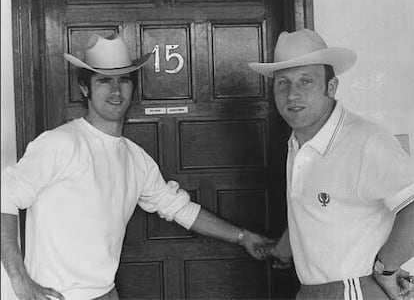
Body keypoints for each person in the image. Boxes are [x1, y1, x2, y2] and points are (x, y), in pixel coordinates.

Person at [1, 34, 273, 300]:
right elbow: (5, 197)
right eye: (104, 81)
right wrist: (18, 278)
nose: (116, 91)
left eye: (124, 80)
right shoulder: (60, 143)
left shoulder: (135, 159)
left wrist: (242, 236)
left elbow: (180, 208)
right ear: (86, 88)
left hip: (106, 293)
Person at [248, 29, 414, 300]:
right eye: (283, 83)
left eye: (305, 81)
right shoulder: (298, 142)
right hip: (312, 291)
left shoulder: (365, 141)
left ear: (331, 87)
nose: (292, 95)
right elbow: (317, 208)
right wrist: (284, 249)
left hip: (354, 290)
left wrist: (387, 269)